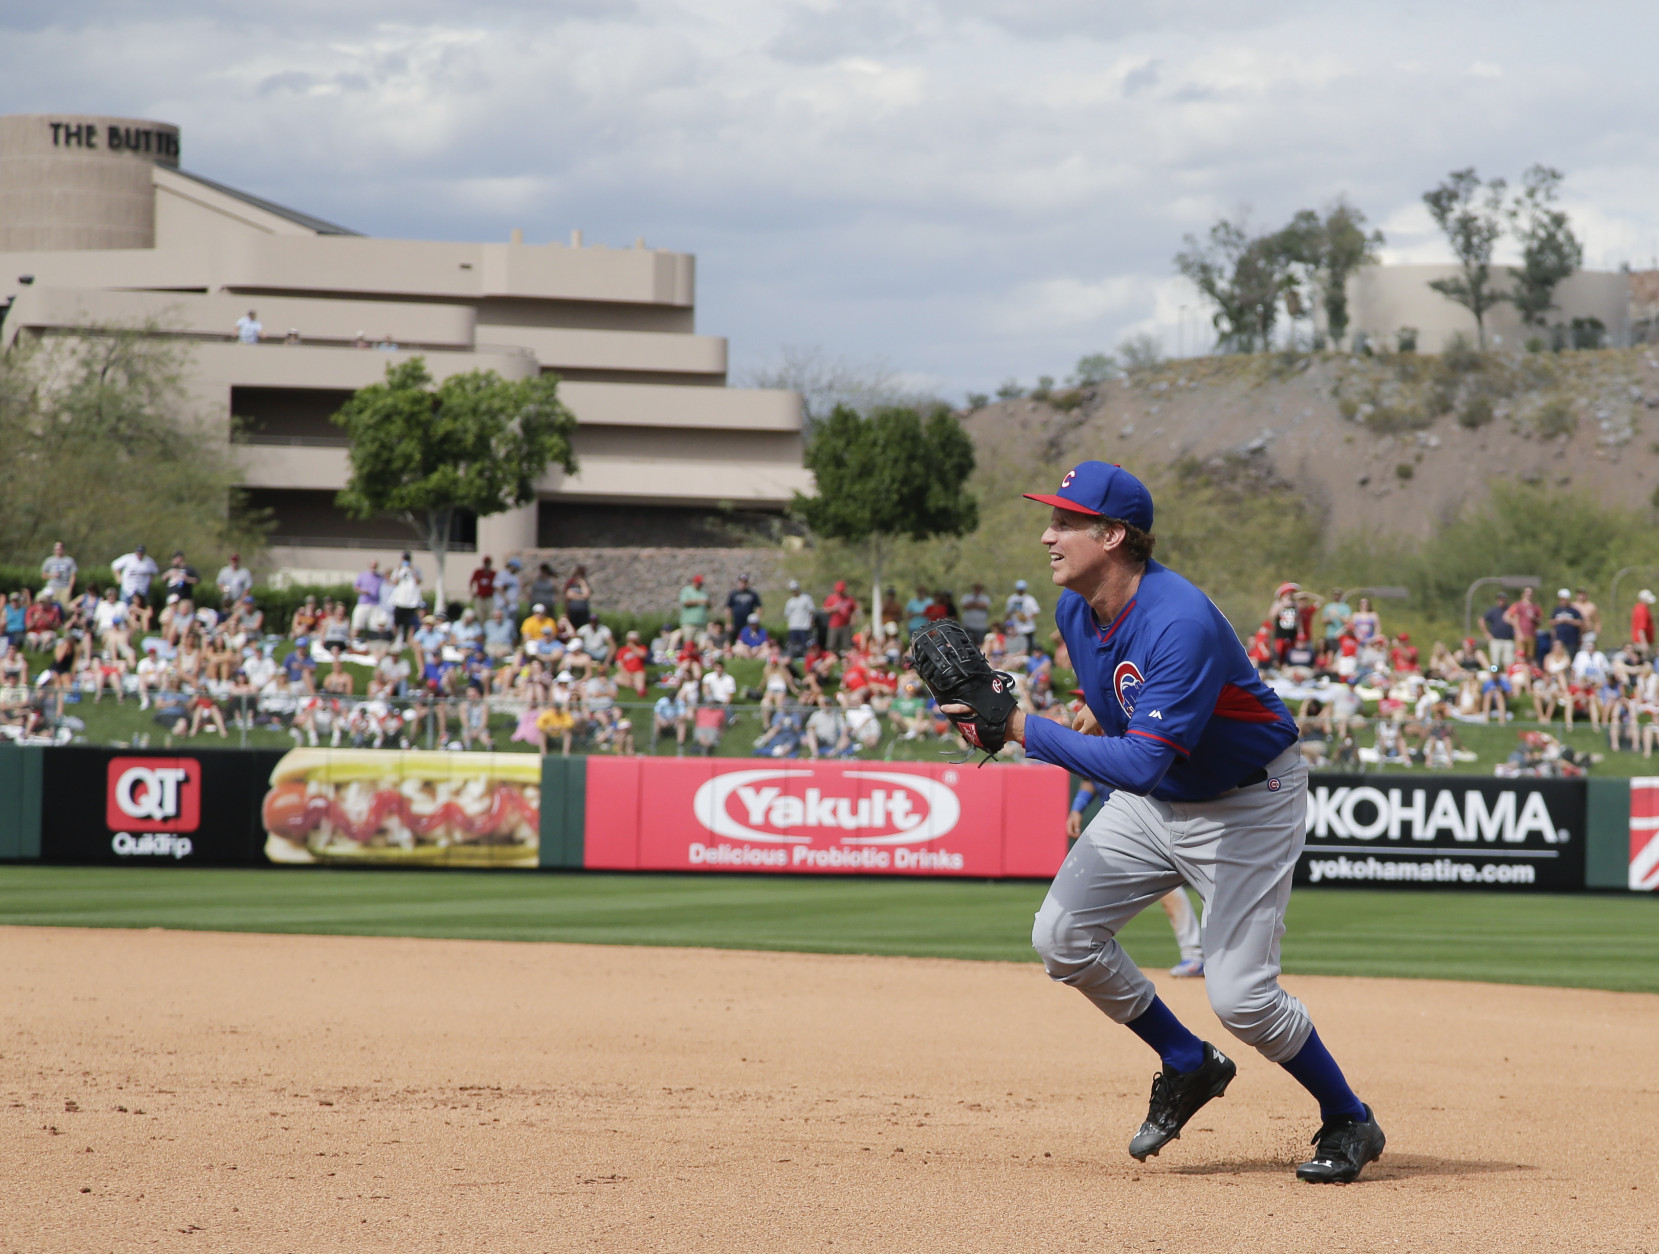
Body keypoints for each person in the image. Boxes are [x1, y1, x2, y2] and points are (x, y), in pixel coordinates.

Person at [979, 460, 1381, 1183]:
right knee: (1061, 938)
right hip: (1160, 799)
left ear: (1112, 535)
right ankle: (1186, 1059)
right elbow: (1122, 707)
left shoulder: (1179, 619)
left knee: (1241, 999)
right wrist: (1084, 713)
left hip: (1247, 802)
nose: (1047, 535)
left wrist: (1019, 727)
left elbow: (1138, 764)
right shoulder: (1075, 608)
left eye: (1065, 522)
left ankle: (1348, 1116)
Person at [1067, 777, 1205, 977]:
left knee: (1176, 889)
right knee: (1093, 889)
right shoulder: (1102, 755)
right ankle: (1078, 949)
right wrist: (1077, 808)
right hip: (1118, 829)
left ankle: (1195, 955)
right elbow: (1090, 780)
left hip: (1156, 823)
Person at [389, 554, 424, 645]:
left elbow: (418, 582)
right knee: (396, 622)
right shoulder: (398, 569)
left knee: (408, 624)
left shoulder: (416, 569)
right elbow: (394, 582)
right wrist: (399, 570)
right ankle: (394, 640)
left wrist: (413, 570)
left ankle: (406, 641)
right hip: (399, 601)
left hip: (411, 602)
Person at [1505, 587, 1542, 668]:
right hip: (1521, 635)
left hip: (1531, 635)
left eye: (1530, 593)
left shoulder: (1535, 607)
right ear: (1523, 594)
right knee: (1520, 655)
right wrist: (1518, 632)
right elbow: (1509, 617)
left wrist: (1534, 618)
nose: (1529, 595)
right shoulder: (1518, 605)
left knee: (1530, 656)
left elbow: (1540, 621)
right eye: (1527, 593)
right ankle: (1520, 670)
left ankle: (1529, 671)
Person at [1005, 579, 1040, 657]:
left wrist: (1027, 618)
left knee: (1030, 646)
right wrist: (1006, 623)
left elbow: (1036, 611)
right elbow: (1008, 612)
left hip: (1028, 628)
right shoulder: (1012, 599)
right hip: (1017, 628)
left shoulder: (1030, 599)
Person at [823, 580, 858, 654]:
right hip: (834, 625)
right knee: (832, 644)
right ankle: (832, 657)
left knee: (847, 645)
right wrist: (833, 609)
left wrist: (853, 620)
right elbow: (825, 610)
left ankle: (846, 657)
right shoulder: (831, 598)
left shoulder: (849, 598)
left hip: (846, 624)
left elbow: (853, 610)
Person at [1548, 588, 1584, 658]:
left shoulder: (1574, 611)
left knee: (1571, 656)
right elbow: (1550, 622)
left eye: (1565, 600)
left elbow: (1580, 622)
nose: (1563, 601)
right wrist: (1559, 621)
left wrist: (1569, 621)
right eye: (1561, 600)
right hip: (1559, 639)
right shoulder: (1556, 610)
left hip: (1572, 640)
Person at [1482, 592, 1515, 667]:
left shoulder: (1510, 610)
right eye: (1499, 599)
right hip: (1496, 640)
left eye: (1502, 599)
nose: (1501, 601)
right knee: (1495, 662)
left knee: (1509, 662)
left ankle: (1508, 673)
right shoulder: (1493, 611)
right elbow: (1482, 620)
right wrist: (1486, 633)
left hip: (1508, 639)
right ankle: (1494, 673)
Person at [783, 580, 815, 657]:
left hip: (804, 626)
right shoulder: (790, 602)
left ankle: (806, 657)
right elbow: (787, 614)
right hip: (793, 626)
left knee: (805, 644)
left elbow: (811, 611)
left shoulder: (806, 599)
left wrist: (811, 622)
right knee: (794, 644)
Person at [678, 574, 711, 640]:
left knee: (701, 641)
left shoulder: (703, 592)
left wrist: (708, 603)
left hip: (701, 623)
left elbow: (709, 606)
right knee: (688, 642)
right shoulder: (687, 590)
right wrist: (699, 601)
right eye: (698, 583)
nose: (700, 585)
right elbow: (685, 602)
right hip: (689, 623)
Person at [960, 581, 992, 646]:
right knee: (967, 644)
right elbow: (965, 606)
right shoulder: (967, 597)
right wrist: (976, 604)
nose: (977, 590)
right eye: (976, 588)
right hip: (968, 625)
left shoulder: (985, 598)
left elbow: (984, 606)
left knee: (980, 644)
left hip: (980, 626)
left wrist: (972, 604)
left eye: (979, 588)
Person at [1634, 590, 1657, 659]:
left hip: (1643, 641)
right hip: (1642, 642)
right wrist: (1644, 643)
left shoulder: (1639, 608)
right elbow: (1641, 629)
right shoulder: (1642, 610)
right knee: (1646, 661)